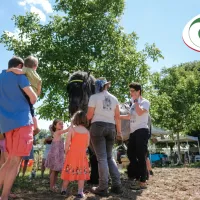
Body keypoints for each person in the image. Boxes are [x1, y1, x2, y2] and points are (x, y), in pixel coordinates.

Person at [0, 56, 37, 200]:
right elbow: (33, 98)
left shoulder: (1, 77)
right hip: (22, 121)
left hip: (6, 125)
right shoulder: (19, 75)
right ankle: (4, 197)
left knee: (9, 161)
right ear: (20, 65)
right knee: (15, 162)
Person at [87, 77, 123, 196]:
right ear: (106, 85)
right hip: (111, 127)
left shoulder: (94, 97)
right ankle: (117, 185)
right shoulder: (114, 98)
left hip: (98, 127)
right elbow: (117, 117)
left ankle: (102, 187)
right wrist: (119, 132)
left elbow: (89, 115)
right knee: (109, 157)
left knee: (101, 158)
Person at [120, 82, 150, 190]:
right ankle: (140, 175)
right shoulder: (133, 103)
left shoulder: (145, 102)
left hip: (142, 131)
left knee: (141, 155)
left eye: (132, 91)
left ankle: (142, 181)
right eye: (130, 91)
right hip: (133, 133)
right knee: (130, 153)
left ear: (138, 91)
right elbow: (129, 116)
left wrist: (136, 100)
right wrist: (117, 116)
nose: (130, 93)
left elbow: (140, 112)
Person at [7, 56, 42, 135]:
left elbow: (19, 72)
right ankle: (36, 127)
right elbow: (39, 86)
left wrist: (11, 69)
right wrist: (36, 94)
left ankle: (33, 127)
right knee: (32, 110)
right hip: (34, 93)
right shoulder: (38, 76)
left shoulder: (26, 70)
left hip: (27, 93)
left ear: (25, 65)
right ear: (35, 66)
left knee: (29, 109)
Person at [61, 110, 90, 198]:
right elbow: (87, 144)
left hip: (72, 155)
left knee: (68, 172)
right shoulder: (87, 132)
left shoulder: (72, 129)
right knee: (81, 174)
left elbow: (67, 143)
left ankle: (63, 190)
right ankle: (80, 192)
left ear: (75, 119)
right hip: (82, 155)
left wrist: (66, 152)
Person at [45, 119, 69, 192]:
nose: (62, 125)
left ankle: (53, 186)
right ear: (55, 126)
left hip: (57, 154)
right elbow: (66, 130)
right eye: (59, 124)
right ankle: (52, 187)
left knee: (55, 171)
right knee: (54, 171)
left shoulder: (55, 133)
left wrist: (50, 128)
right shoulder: (58, 132)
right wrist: (73, 125)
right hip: (56, 154)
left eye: (62, 124)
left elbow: (52, 131)